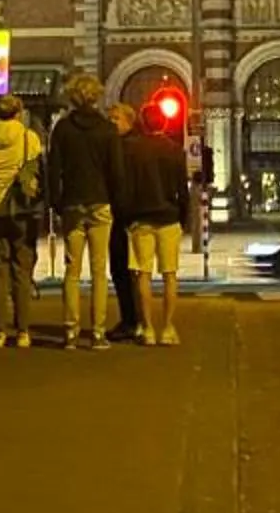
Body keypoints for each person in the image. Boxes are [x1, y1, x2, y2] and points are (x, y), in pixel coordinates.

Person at [48, 73, 122, 348]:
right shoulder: (107, 129)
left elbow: (53, 168)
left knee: (72, 269)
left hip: (72, 203)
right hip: (100, 202)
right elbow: (116, 171)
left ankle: (70, 331)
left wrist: (57, 201)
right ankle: (98, 331)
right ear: (96, 96)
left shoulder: (63, 129)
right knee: (99, 270)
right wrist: (115, 200)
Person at [0, 95, 44, 349]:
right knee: (22, 272)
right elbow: (37, 172)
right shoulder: (29, 138)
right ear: (18, 113)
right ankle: (23, 331)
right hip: (21, 212)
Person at [120, 101, 195, 346]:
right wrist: (184, 218)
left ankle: (147, 328)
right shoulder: (174, 150)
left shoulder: (130, 150)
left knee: (143, 274)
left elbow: (126, 188)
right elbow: (181, 190)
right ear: (164, 122)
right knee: (169, 275)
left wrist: (126, 216)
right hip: (168, 217)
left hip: (140, 218)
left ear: (142, 122)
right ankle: (168, 327)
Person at [103, 102, 144, 342]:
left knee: (128, 270)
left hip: (127, 215)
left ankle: (133, 320)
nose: (111, 122)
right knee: (123, 270)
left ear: (129, 121)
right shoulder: (117, 145)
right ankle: (133, 319)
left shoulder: (127, 148)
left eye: (115, 119)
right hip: (122, 215)